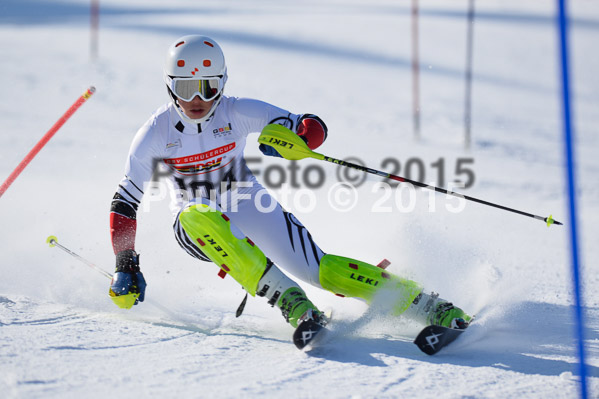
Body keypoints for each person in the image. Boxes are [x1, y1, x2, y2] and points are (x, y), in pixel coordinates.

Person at [108, 34, 471, 335]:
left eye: (208, 86)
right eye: (186, 88)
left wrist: (295, 140)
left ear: (223, 83)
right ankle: (290, 301)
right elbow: (125, 200)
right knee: (196, 214)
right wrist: (125, 262)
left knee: (321, 269)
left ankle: (426, 304)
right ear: (170, 86)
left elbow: (311, 125)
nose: (198, 99)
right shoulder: (155, 132)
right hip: (198, 227)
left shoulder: (237, 111)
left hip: (248, 202)